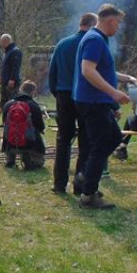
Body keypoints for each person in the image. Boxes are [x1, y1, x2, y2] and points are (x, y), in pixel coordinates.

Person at [72, 4, 130, 209]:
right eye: (119, 22)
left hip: (97, 101)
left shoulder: (97, 39)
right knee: (100, 146)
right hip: (93, 102)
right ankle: (88, 193)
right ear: (110, 20)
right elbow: (88, 70)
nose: (119, 27)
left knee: (113, 138)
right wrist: (113, 93)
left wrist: (125, 78)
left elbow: (102, 71)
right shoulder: (95, 39)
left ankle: (85, 178)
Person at [48, 14, 97, 193]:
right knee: (85, 142)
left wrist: (58, 93)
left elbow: (52, 73)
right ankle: (80, 184)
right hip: (85, 96)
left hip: (64, 95)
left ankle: (59, 184)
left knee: (63, 140)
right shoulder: (93, 43)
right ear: (92, 25)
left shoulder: (62, 44)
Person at [2, 80, 46, 170]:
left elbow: (4, 122)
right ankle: (30, 158)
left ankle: (10, 157)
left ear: (21, 89)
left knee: (7, 131)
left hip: (10, 141)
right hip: (29, 142)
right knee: (40, 162)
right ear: (33, 92)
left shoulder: (8, 104)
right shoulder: (34, 106)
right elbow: (41, 127)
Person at [0, 34, 23, 106]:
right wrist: (2, 77)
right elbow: (6, 67)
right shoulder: (6, 52)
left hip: (11, 83)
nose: (1, 44)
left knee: (11, 103)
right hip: (5, 81)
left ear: (5, 41)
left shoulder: (15, 51)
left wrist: (12, 79)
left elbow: (15, 67)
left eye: (1, 42)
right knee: (4, 103)